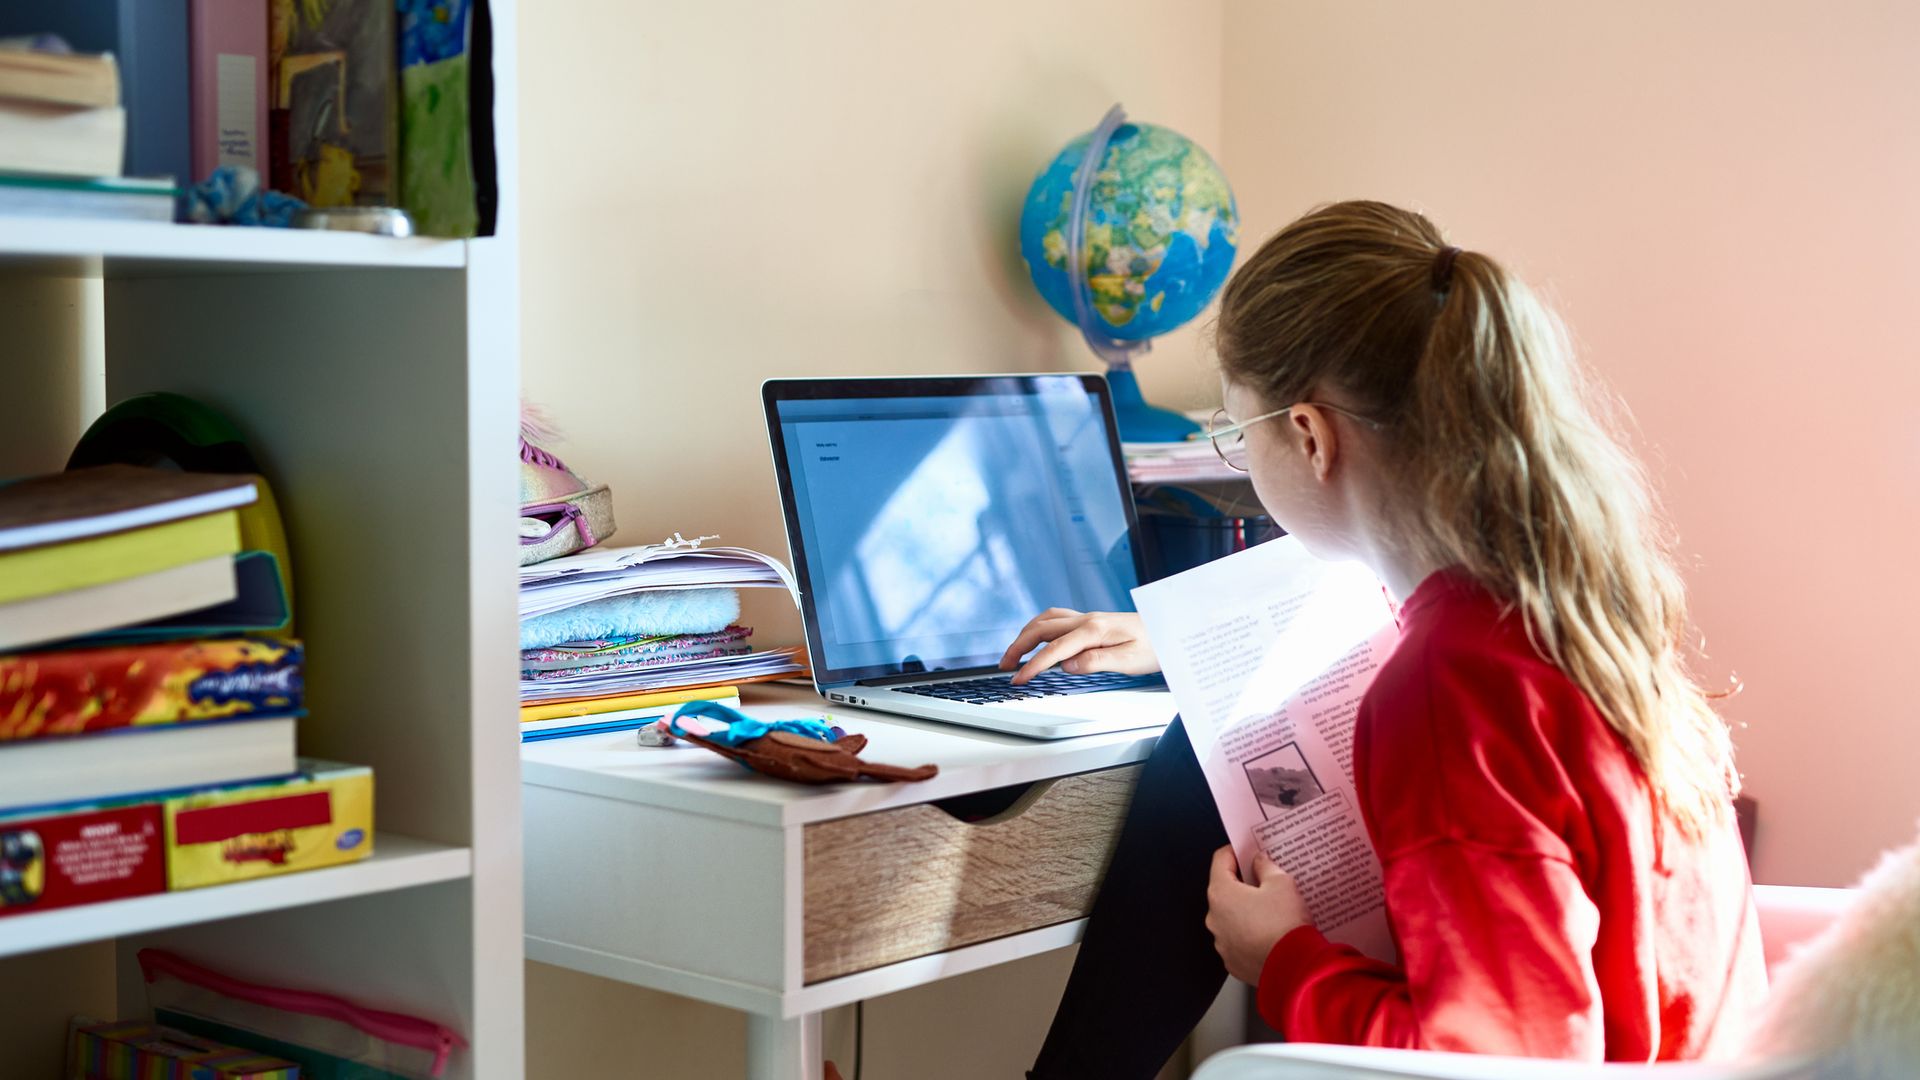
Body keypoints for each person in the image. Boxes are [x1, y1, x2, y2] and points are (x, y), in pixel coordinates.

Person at [1013, 200, 1767, 1078]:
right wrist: (1175, 638)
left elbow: (1506, 1061)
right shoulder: (1568, 609)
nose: (1239, 459)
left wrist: (1284, 960)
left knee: (1192, 777)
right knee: (1204, 754)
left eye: (1233, 433)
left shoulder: (1449, 690)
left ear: (1309, 435)